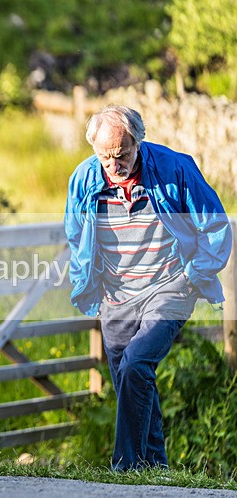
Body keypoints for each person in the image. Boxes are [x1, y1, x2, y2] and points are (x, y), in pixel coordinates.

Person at [64, 104, 232, 471]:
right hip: (117, 295)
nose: (112, 165)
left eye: (121, 155)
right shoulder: (83, 179)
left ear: (138, 142)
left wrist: (191, 278)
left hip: (170, 287)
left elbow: (217, 227)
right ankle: (156, 469)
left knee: (137, 363)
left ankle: (125, 466)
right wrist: (89, 288)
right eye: (104, 157)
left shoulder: (176, 170)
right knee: (132, 380)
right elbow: (76, 237)